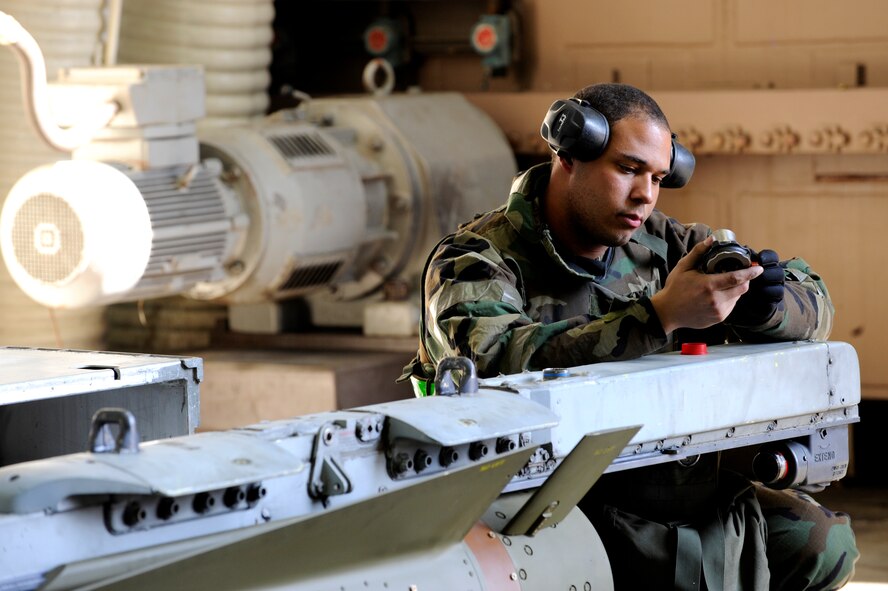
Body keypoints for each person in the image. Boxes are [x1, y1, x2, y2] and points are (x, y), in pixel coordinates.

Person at [401, 83, 858, 589]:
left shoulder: (664, 245)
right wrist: (658, 315)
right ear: (570, 153)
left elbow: (817, 302)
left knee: (820, 543)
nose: (645, 194)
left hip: (658, 487)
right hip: (539, 505)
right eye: (627, 169)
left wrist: (762, 304)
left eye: (659, 177)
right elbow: (501, 359)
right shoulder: (474, 259)